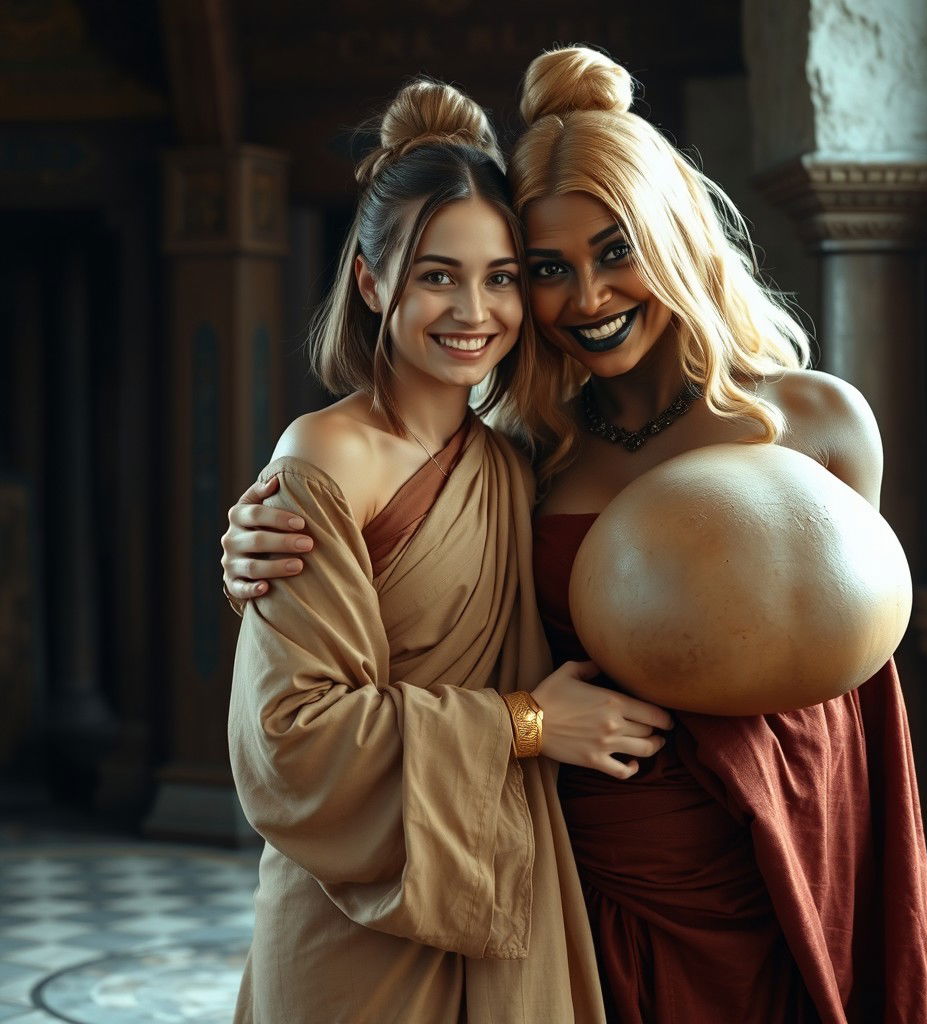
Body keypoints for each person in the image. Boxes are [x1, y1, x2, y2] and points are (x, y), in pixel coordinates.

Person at [223, 49, 927, 1023]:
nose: (588, 296)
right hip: (579, 862)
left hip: (778, 846)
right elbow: (411, 593)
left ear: (677, 234)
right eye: (548, 270)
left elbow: (857, 674)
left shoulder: (819, 422)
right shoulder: (532, 449)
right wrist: (253, 544)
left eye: (616, 251)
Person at [225, 76, 674, 1024]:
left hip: (506, 883)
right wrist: (528, 725)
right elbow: (289, 744)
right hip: (355, 924)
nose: (476, 311)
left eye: (503, 277)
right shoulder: (323, 457)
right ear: (371, 279)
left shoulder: (516, 459)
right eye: (438, 274)